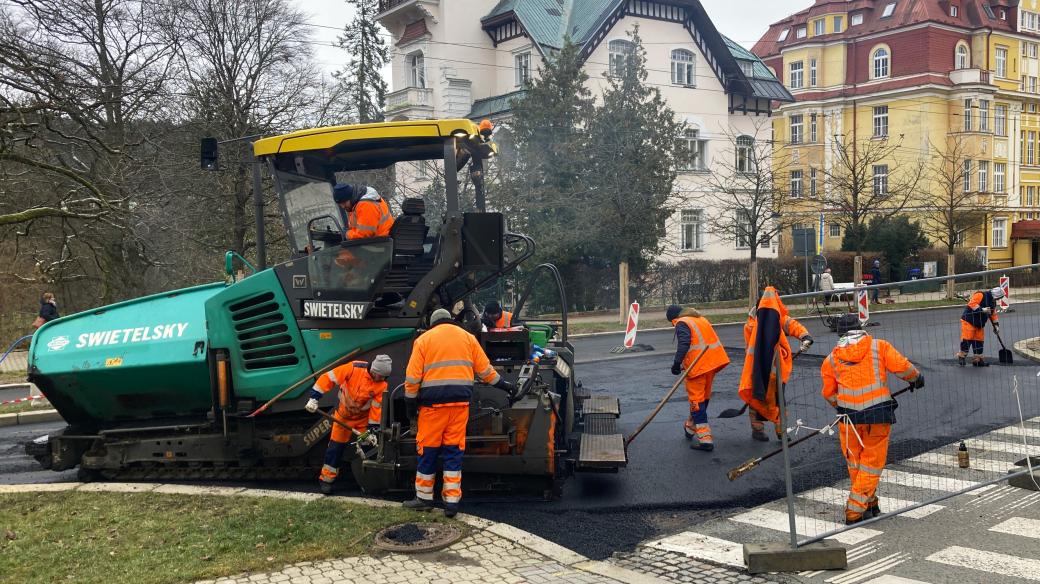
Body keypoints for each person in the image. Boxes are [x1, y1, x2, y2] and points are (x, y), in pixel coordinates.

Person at [403, 309, 516, 517]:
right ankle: (452, 503)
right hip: (459, 406)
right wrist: (507, 386)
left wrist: (410, 401)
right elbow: (486, 371)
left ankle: (424, 498)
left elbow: (412, 376)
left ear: (432, 322)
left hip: (432, 408)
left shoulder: (424, 340)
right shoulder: (468, 338)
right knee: (453, 452)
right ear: (450, 320)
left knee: (427, 451)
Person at [820, 330, 923, 524]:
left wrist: (843, 405)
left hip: (848, 418)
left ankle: (870, 503)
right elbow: (902, 367)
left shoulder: (831, 359)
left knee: (856, 462)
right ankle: (854, 510)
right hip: (877, 415)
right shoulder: (878, 347)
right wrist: (916, 379)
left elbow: (828, 393)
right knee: (872, 463)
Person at [305, 355, 392, 494]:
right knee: (335, 449)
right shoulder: (353, 368)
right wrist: (314, 398)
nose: (382, 380)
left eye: (385, 377)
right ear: (374, 371)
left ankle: (370, 483)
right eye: (381, 376)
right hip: (342, 418)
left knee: (368, 450)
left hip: (362, 421)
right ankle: (326, 480)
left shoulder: (382, 385)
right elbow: (328, 378)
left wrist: (372, 431)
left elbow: (377, 410)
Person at [739, 287, 814, 442]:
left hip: (774, 369)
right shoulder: (752, 324)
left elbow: (790, 324)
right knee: (758, 398)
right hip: (758, 369)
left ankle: (781, 431)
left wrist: (805, 336)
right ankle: (759, 429)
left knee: (777, 399)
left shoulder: (773, 316)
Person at [667, 305, 730, 451]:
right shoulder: (699, 319)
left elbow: (684, 343)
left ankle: (705, 439)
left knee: (696, 401)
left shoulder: (682, 322)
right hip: (711, 364)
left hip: (698, 367)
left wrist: (676, 364)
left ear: (673, 319)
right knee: (703, 398)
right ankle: (690, 427)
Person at [956, 286, 1004, 367]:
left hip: (979, 324)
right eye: (999, 298)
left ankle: (977, 360)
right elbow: (972, 304)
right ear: (996, 295)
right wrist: (982, 310)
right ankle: (961, 356)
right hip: (969, 320)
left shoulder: (992, 302)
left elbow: (993, 314)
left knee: (979, 341)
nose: (998, 300)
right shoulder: (980, 295)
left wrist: (996, 325)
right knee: (967, 339)